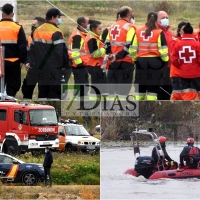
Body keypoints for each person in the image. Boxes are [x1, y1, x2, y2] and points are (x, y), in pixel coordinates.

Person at [29, 8, 71, 100]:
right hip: (54, 68)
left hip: (40, 67)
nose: (59, 19)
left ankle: (42, 112)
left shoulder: (36, 30)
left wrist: (32, 63)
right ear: (53, 17)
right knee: (54, 93)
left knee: (43, 92)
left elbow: (32, 49)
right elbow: (60, 51)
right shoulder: (56, 32)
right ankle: (53, 112)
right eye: (58, 17)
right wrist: (64, 64)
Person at [129, 11, 168, 100]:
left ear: (147, 19)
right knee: (153, 88)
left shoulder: (138, 31)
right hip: (155, 62)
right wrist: (165, 60)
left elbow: (132, 48)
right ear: (156, 21)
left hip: (141, 62)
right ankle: (151, 109)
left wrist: (135, 60)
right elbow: (163, 49)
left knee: (140, 87)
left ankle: (138, 107)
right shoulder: (159, 32)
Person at [106, 6, 136, 99]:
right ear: (128, 15)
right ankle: (120, 111)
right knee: (123, 92)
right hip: (125, 63)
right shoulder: (130, 27)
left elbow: (107, 43)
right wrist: (118, 56)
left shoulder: (112, 26)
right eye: (132, 13)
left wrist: (111, 56)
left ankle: (110, 111)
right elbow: (129, 45)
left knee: (111, 91)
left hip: (112, 63)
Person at [0, 3, 27, 97]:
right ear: (13, 14)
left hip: (0, 63)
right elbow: (22, 46)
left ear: (2, 13)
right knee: (12, 87)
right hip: (13, 62)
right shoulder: (18, 27)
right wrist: (22, 60)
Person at [171, 22, 200, 100]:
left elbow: (173, 59)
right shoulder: (197, 44)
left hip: (183, 74)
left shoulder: (178, 45)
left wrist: (181, 66)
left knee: (186, 95)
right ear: (192, 32)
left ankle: (186, 111)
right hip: (197, 74)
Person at [21, 17, 46, 99]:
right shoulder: (29, 38)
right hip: (32, 68)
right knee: (27, 90)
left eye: (34, 25)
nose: (33, 26)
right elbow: (27, 52)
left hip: (44, 68)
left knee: (43, 91)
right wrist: (27, 62)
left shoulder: (47, 37)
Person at [84, 20, 108, 99]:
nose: (101, 30)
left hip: (98, 65)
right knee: (96, 89)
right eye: (99, 29)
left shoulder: (95, 37)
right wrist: (105, 49)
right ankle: (93, 105)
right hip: (94, 65)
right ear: (93, 29)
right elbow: (94, 54)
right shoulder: (92, 39)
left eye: (102, 28)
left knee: (103, 87)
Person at [68, 16, 90, 98]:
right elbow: (75, 53)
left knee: (82, 87)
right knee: (82, 88)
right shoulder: (78, 36)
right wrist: (80, 64)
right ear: (82, 24)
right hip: (79, 66)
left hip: (81, 65)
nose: (89, 24)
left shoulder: (82, 33)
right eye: (88, 22)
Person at [156, 10, 174, 100]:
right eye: (163, 18)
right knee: (159, 92)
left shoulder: (170, 33)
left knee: (168, 91)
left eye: (167, 17)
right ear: (156, 20)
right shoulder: (156, 32)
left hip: (170, 67)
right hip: (160, 67)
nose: (166, 19)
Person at [169, 21, 187, 100]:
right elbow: (173, 57)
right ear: (179, 30)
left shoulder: (192, 42)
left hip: (188, 74)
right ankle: (174, 111)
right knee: (178, 96)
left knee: (187, 96)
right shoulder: (175, 41)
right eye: (184, 29)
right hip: (177, 73)